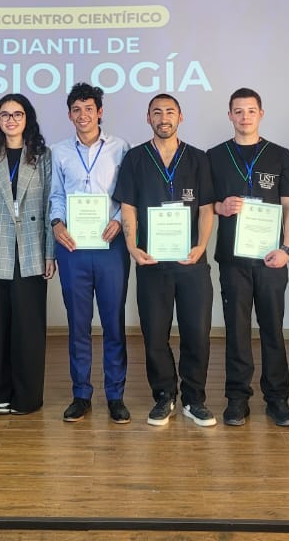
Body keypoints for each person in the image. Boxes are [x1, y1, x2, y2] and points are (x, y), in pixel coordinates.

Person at [115, 93, 216, 428]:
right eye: (156, 112)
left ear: (180, 117)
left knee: (196, 332)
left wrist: (201, 246)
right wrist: (131, 245)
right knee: (154, 333)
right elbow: (127, 205)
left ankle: (194, 398)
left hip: (191, 262)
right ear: (148, 118)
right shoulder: (135, 159)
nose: (163, 117)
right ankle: (164, 395)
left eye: (169, 112)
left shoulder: (199, 159)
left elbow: (206, 209)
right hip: (152, 262)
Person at [209, 88, 289, 427]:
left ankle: (278, 399)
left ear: (261, 113)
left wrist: (287, 249)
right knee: (236, 330)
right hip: (233, 260)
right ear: (230, 115)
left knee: (273, 331)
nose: (245, 116)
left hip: (271, 259)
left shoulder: (280, 156)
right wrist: (221, 207)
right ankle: (237, 399)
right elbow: (206, 206)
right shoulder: (215, 156)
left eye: (251, 110)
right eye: (238, 111)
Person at [0, 93, 54, 415]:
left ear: (27, 118)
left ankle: (27, 396)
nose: (11, 120)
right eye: (5, 115)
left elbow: (49, 207)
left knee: (28, 329)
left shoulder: (43, 156)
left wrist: (50, 253)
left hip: (31, 250)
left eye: (17, 114)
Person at [48, 83, 131, 424]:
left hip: (110, 245)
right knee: (78, 324)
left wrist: (117, 220)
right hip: (73, 248)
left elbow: (127, 194)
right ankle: (81, 393)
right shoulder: (58, 151)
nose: (83, 115)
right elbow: (56, 194)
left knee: (113, 323)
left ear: (100, 112)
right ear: (69, 115)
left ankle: (116, 395)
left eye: (89, 108)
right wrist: (56, 223)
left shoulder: (120, 147)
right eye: (76, 109)